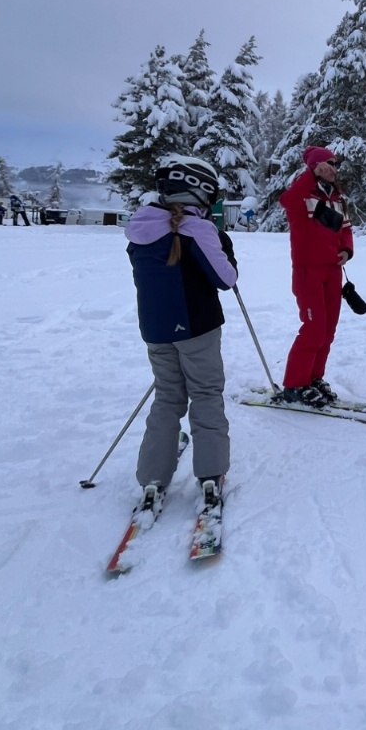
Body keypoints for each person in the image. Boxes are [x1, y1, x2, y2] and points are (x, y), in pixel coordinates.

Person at [125, 155, 237, 517]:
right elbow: (226, 279)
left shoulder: (140, 225)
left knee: (167, 398)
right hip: (197, 328)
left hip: (156, 331)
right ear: (201, 192)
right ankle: (210, 475)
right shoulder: (197, 229)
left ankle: (152, 479)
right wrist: (225, 247)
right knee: (205, 395)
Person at [277, 146, 354, 407]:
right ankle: (294, 384)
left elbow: (345, 229)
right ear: (316, 166)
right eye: (329, 163)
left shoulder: (337, 198)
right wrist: (310, 175)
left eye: (335, 164)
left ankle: (313, 378)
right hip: (308, 271)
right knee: (314, 329)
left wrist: (346, 250)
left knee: (328, 331)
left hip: (333, 271)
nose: (334, 168)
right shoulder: (302, 195)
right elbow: (286, 201)